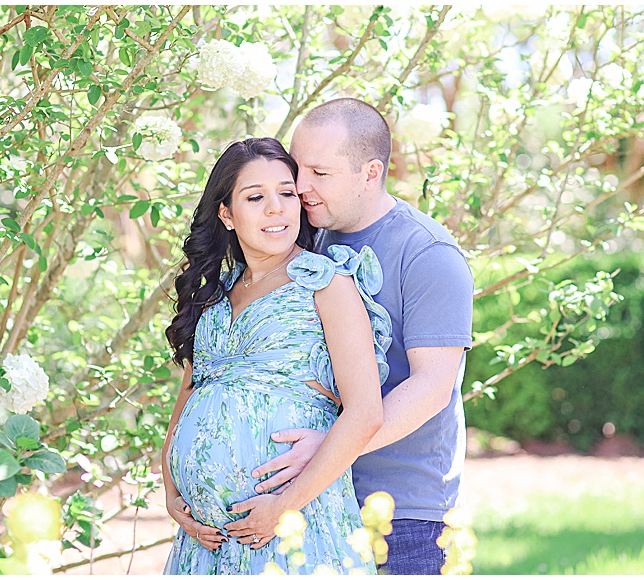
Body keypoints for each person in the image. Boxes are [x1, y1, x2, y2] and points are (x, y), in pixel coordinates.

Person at [233, 98, 474, 575]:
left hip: (404, 516)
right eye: (298, 169)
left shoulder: (428, 254)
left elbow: (431, 387)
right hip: (313, 504)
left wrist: (330, 447)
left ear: (370, 173)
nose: (300, 187)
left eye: (320, 173)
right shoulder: (305, 238)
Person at [160, 137, 390, 574]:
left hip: (295, 525)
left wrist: (283, 507)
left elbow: (365, 414)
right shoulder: (214, 295)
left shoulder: (326, 284)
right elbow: (187, 397)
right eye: (255, 197)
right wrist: (173, 493)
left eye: (287, 193)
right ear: (226, 214)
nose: (276, 208)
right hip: (204, 542)